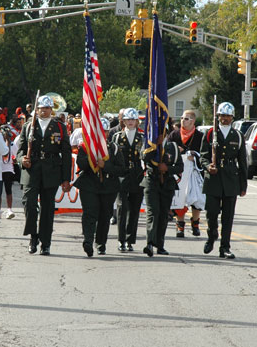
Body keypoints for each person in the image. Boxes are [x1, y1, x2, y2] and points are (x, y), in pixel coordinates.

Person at [16, 95, 72, 256]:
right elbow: (20, 150)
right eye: (41, 108)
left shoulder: (59, 127)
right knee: (29, 204)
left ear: (51, 110)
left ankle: (45, 243)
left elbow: (66, 153)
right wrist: (22, 160)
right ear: (37, 109)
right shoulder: (28, 126)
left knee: (47, 209)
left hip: (51, 170)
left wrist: (65, 178)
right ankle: (33, 237)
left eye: (47, 108)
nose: (44, 111)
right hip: (31, 170)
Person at [200, 102, 248, 259]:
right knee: (212, 213)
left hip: (230, 179)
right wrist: (208, 167)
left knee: (228, 217)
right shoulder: (210, 134)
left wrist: (243, 185)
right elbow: (203, 157)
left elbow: (242, 163)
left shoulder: (238, 136)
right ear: (218, 116)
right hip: (213, 178)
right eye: (222, 116)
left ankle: (225, 247)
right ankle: (211, 234)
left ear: (232, 117)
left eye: (227, 116)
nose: (225, 119)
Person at [74, 118, 125, 257]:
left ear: (108, 132)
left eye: (105, 131)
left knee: (105, 215)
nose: (102, 134)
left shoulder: (114, 148)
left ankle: (101, 243)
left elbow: (121, 169)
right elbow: (81, 163)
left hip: (108, 186)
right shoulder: (85, 146)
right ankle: (88, 241)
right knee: (90, 213)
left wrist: (105, 166)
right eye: (98, 131)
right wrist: (92, 159)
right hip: (89, 184)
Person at [142, 124, 183, 257]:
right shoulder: (148, 145)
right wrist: (155, 147)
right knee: (153, 212)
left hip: (167, 184)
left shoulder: (173, 147)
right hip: (151, 181)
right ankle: (149, 243)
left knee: (163, 214)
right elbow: (144, 158)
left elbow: (179, 167)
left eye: (162, 131)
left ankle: (160, 245)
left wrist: (167, 169)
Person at [166, 110, 205, 238]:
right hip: (179, 172)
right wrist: (176, 151)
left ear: (193, 121)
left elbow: (205, 153)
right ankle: (180, 225)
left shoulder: (200, 136)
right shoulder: (174, 134)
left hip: (194, 172)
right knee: (180, 197)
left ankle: (195, 223)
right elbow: (167, 150)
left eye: (187, 118)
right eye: (182, 118)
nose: (183, 120)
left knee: (196, 198)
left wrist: (192, 154)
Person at [113, 108, 145, 252]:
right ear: (123, 121)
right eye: (128, 119)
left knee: (134, 210)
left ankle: (130, 240)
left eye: (133, 119)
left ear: (137, 121)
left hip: (137, 176)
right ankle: (121, 240)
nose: (131, 122)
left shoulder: (143, 138)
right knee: (121, 208)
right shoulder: (117, 137)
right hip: (122, 176)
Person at [0, 115, 22, 219]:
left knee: (8, 190)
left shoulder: (12, 144)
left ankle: (9, 209)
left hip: (7, 169)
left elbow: (16, 157)